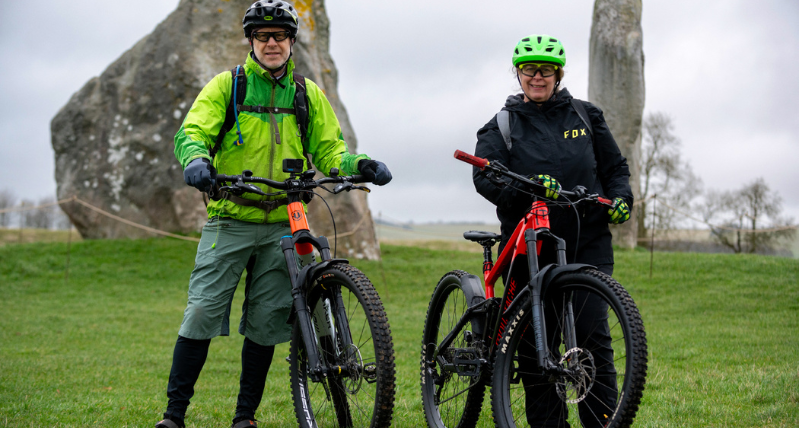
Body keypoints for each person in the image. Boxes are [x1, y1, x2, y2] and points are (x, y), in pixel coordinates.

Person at [155, 2, 391, 428]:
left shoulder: (306, 93)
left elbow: (330, 150)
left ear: (290, 41)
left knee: (265, 324)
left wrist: (360, 165)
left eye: (279, 35)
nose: (271, 43)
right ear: (251, 41)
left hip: (286, 221)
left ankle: (244, 418)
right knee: (202, 312)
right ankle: (174, 416)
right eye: (262, 36)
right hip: (230, 217)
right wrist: (195, 160)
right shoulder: (228, 86)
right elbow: (193, 131)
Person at [472, 34, 632, 427]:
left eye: (546, 70)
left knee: (593, 342)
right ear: (518, 74)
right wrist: (525, 187)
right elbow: (486, 177)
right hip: (529, 247)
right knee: (535, 349)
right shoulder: (502, 125)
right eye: (529, 69)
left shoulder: (586, 115)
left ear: (558, 74)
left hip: (586, 243)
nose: (537, 77)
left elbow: (615, 169)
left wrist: (621, 198)